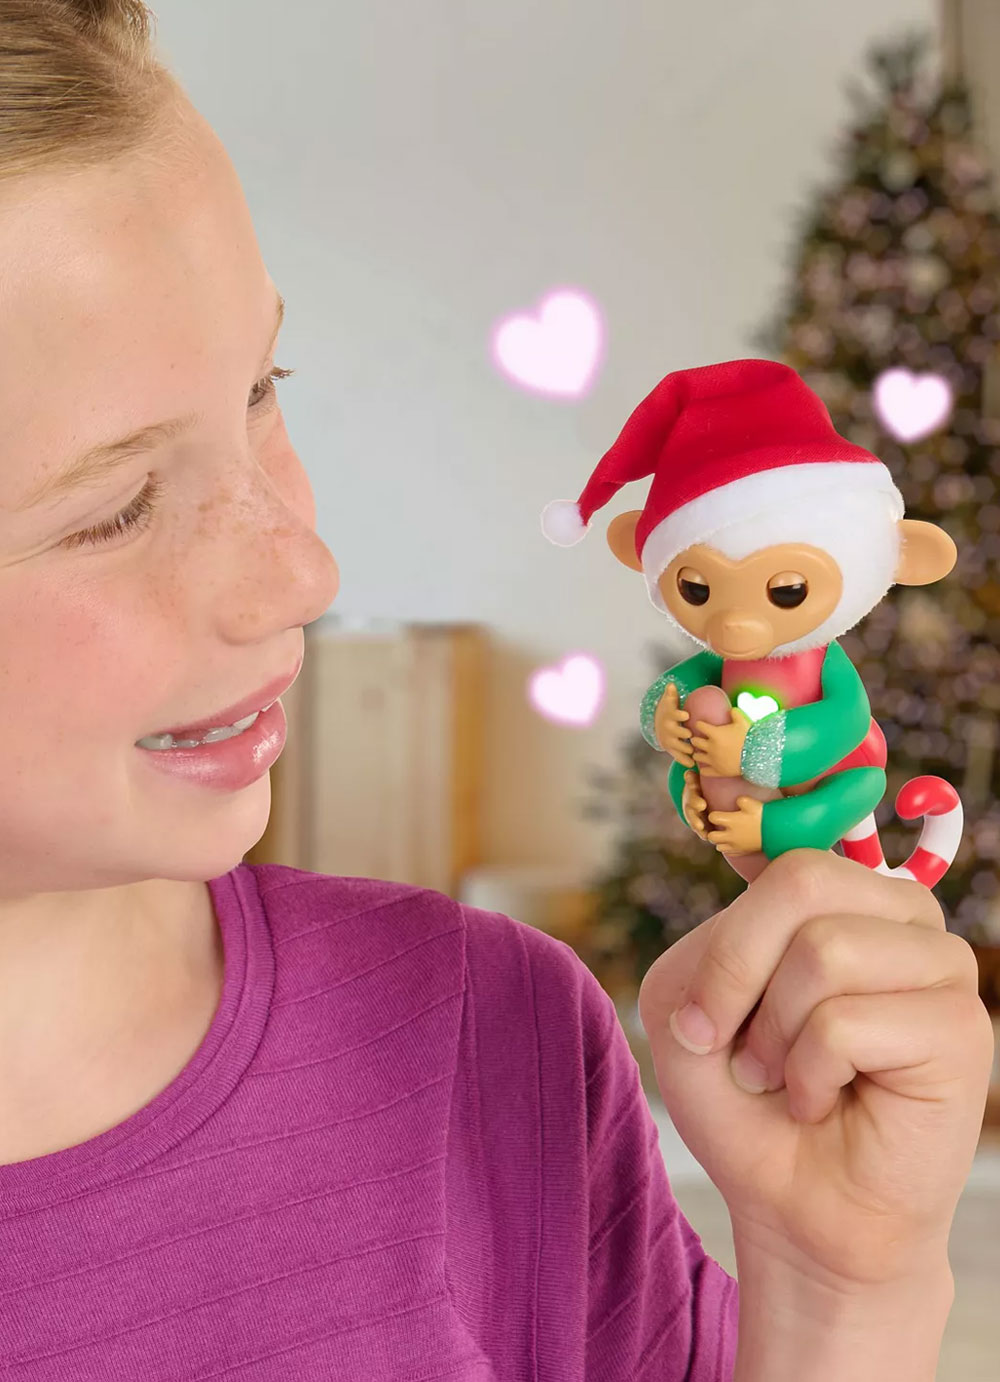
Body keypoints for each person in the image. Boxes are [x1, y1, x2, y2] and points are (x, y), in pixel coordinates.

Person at [0, 4, 991, 1380]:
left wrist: (847, 1296)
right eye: (114, 510)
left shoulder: (487, 1036)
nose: (302, 569)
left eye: (263, 389)